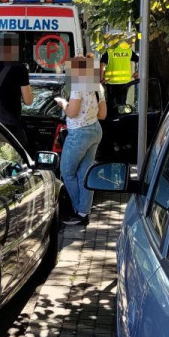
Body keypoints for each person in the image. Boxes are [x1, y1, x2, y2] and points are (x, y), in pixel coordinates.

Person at [55, 55, 107, 226]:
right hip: (95, 130)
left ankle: (76, 209)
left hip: (78, 133)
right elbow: (102, 115)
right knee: (85, 174)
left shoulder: (78, 86)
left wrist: (63, 103)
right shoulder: (97, 87)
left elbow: (72, 112)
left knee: (67, 171)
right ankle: (83, 213)